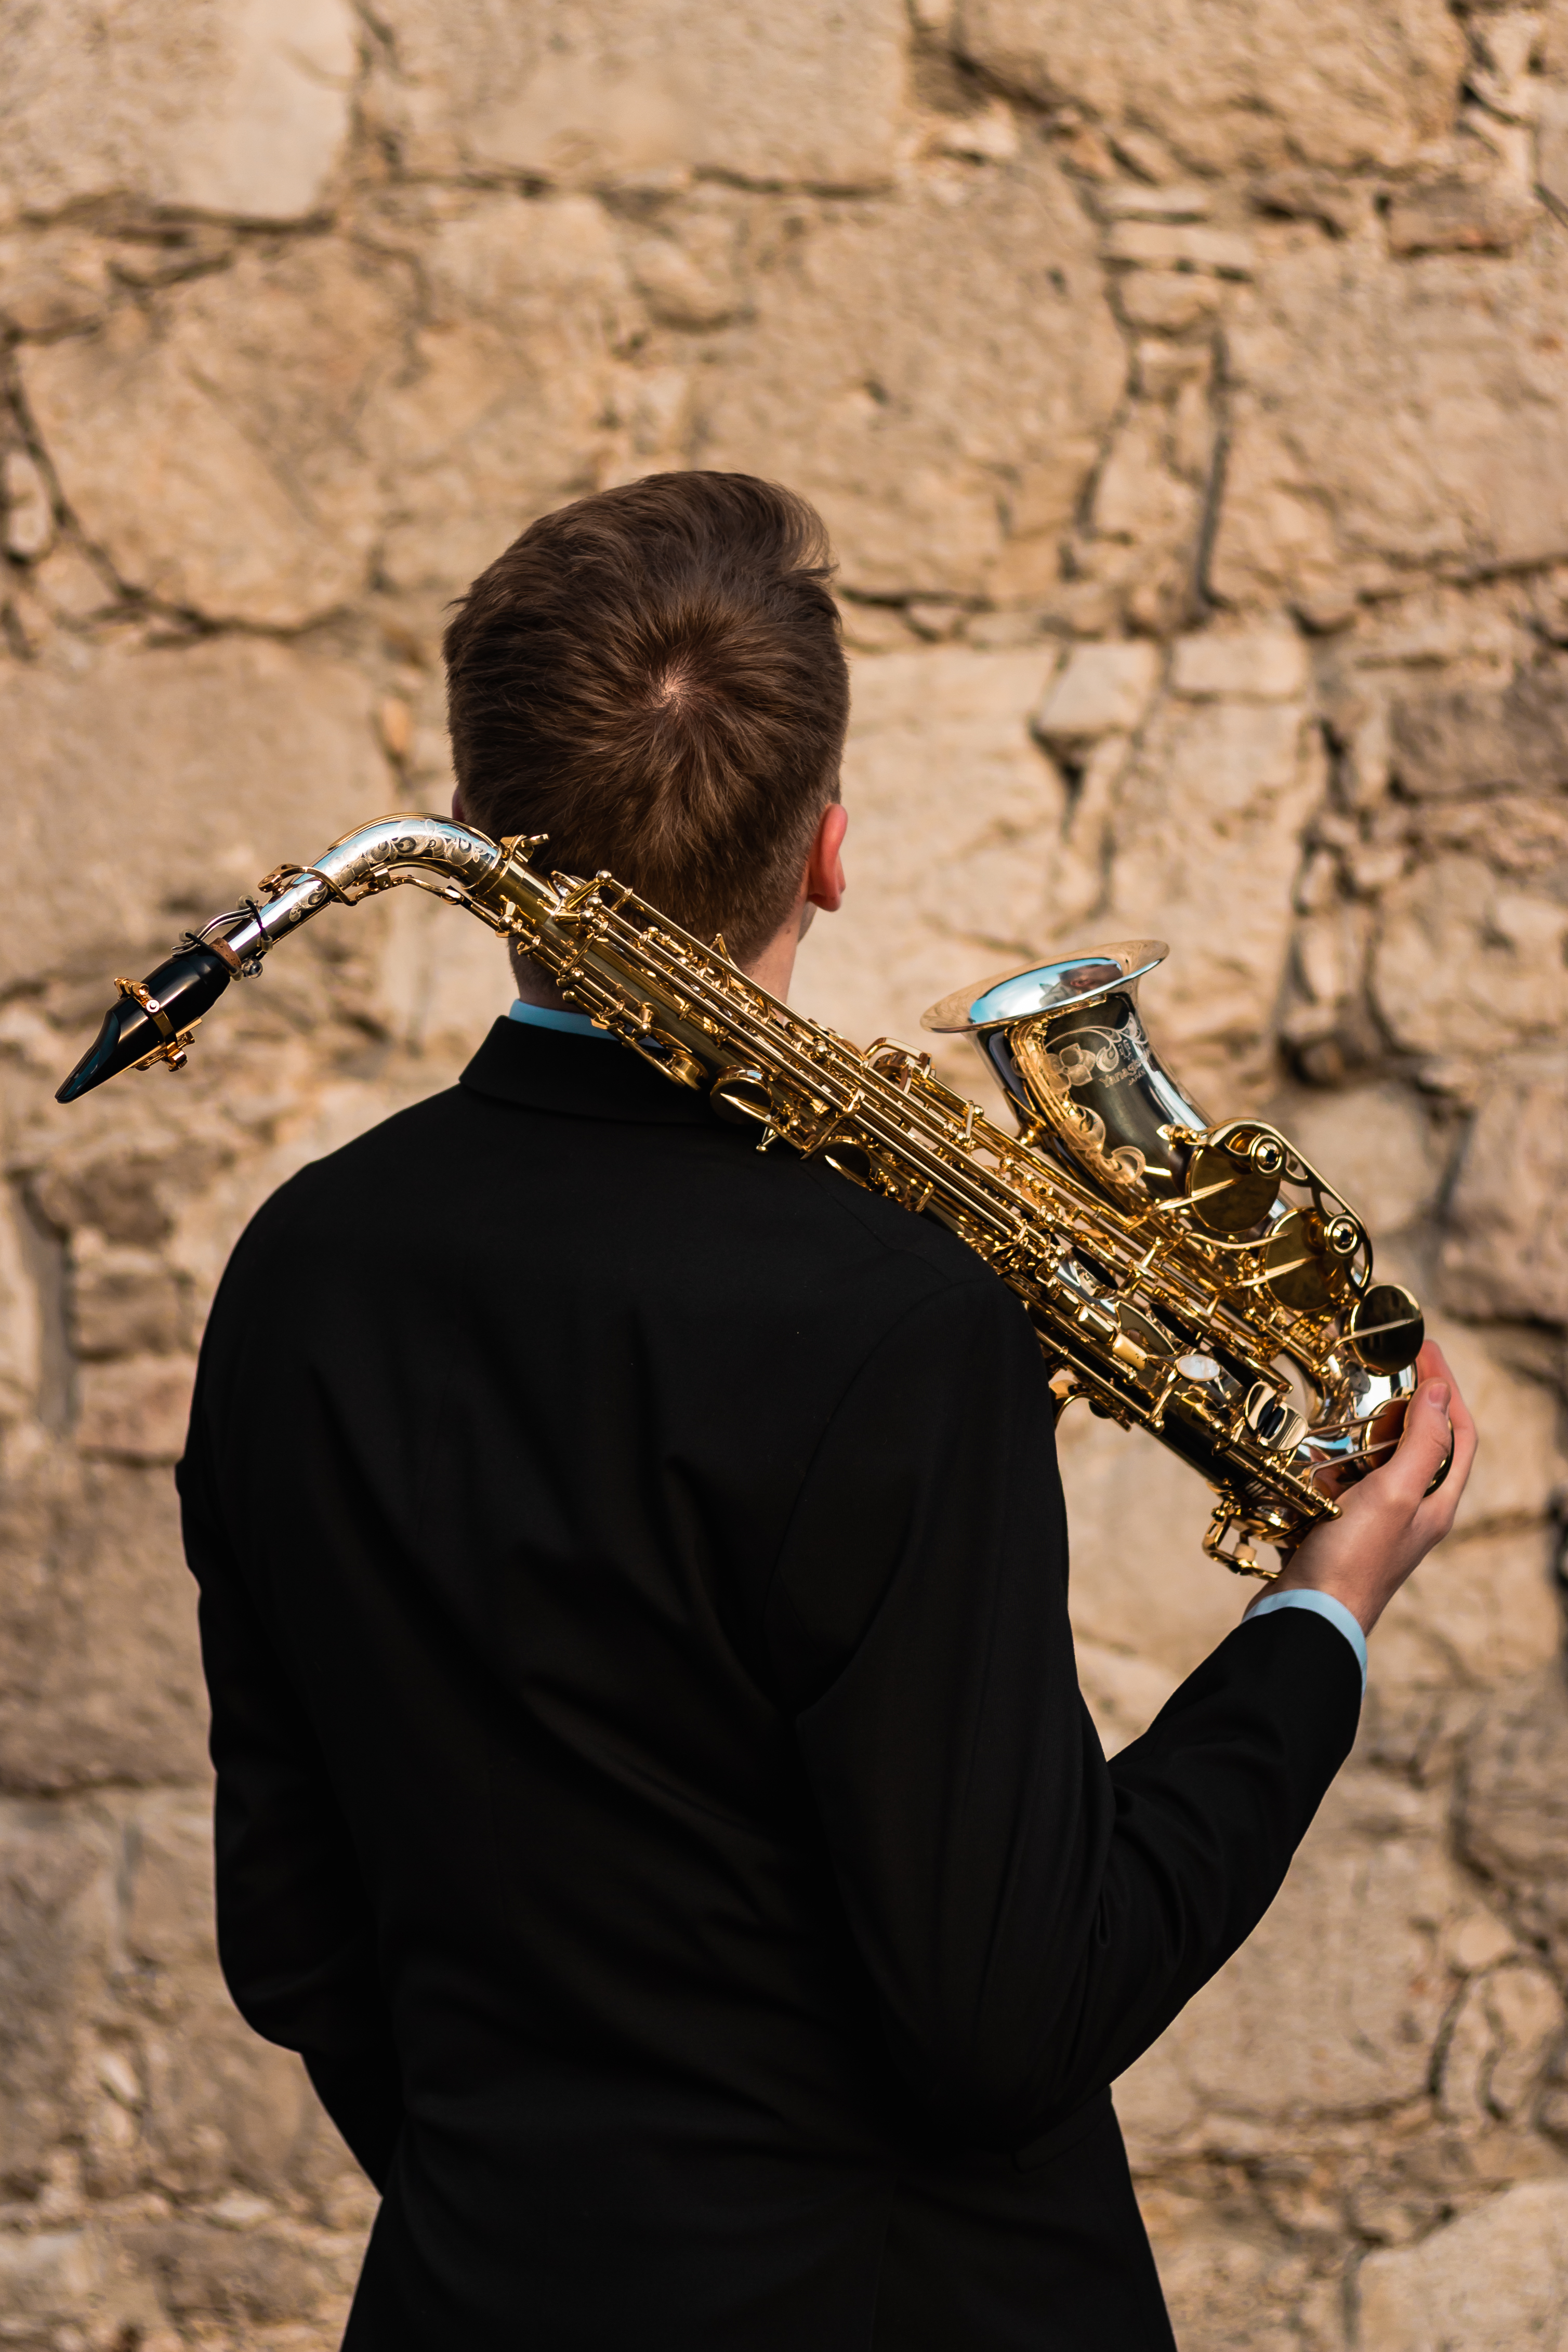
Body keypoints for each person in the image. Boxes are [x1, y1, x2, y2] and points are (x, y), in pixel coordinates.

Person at [178, 471, 1475, 2350]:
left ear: (482, 837)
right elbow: (1004, 2017)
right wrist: (1314, 1626)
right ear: (829, 851)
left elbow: (295, 1947)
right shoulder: (897, 1320)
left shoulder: (299, 1269)